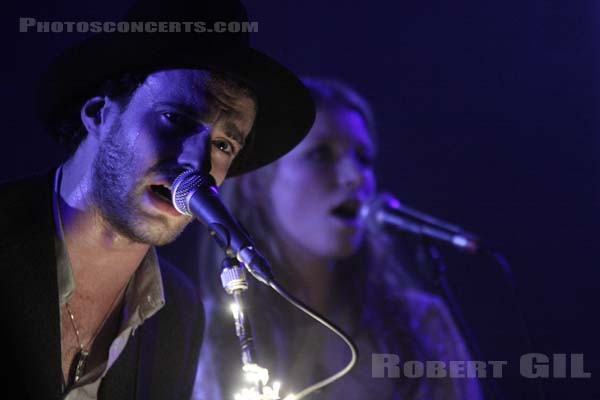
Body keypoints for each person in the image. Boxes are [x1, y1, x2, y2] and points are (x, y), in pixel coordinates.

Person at [0, 0, 315, 398]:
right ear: (99, 113)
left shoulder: (178, 313)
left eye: (222, 144)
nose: (196, 162)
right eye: (177, 119)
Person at [190, 77, 484, 399]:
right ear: (255, 185)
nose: (355, 176)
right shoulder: (208, 334)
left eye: (364, 157)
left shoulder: (423, 323)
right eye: (320, 155)